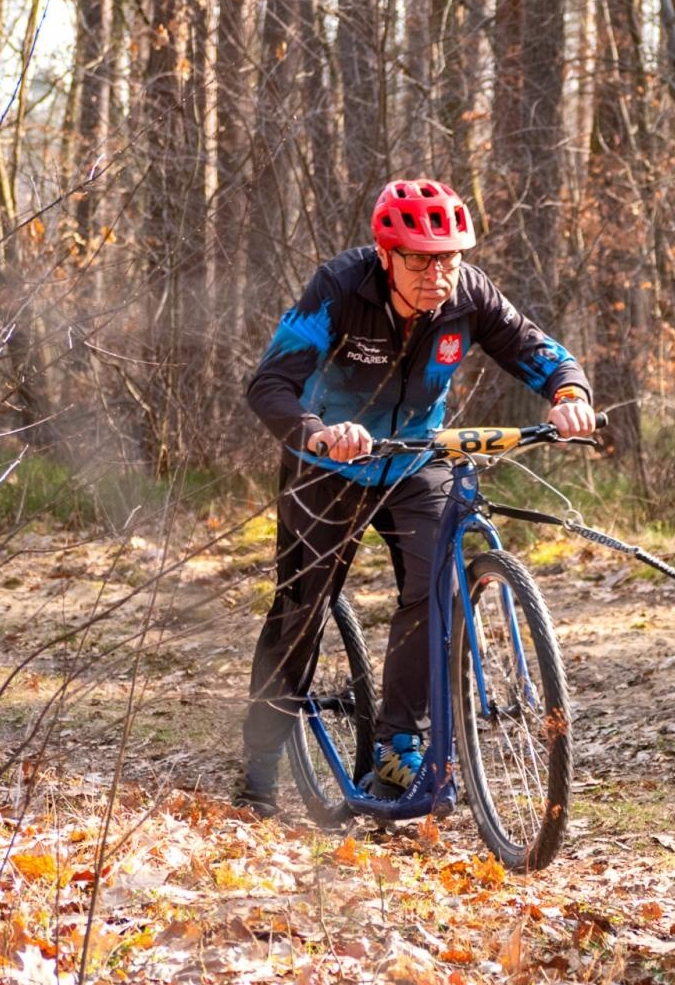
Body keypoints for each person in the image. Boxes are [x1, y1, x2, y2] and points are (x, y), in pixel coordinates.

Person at [235, 178, 595, 817]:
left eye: (449, 259)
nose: (438, 275)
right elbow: (270, 385)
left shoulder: (470, 295)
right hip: (328, 468)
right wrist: (318, 433)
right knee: (302, 610)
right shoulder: (340, 289)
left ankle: (396, 746)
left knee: (435, 590)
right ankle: (260, 764)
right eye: (421, 260)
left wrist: (569, 393)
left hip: (417, 459)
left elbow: (536, 349)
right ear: (386, 255)